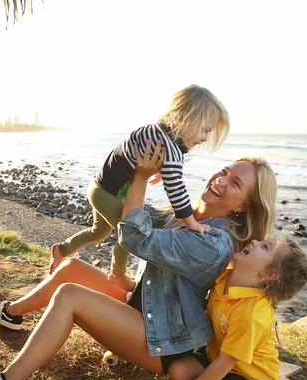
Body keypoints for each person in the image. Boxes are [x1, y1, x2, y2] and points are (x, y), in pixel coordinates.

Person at [0, 142, 276, 380]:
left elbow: (135, 237)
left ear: (243, 206)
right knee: (71, 268)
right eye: (223, 171)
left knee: (70, 296)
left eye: (234, 183)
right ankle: (12, 313)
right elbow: (141, 232)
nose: (220, 179)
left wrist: (140, 177)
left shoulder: (214, 241)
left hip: (161, 340)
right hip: (147, 308)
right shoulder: (190, 215)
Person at [49, 85, 230, 290]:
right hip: (108, 194)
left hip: (100, 187)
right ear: (183, 118)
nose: (206, 137)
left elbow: (134, 150)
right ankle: (117, 275)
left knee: (99, 232)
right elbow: (176, 189)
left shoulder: (156, 131)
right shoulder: (169, 149)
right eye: (205, 129)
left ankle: (62, 249)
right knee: (128, 231)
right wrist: (192, 223)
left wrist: (160, 170)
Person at [168, 237, 307, 380]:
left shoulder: (252, 313)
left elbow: (226, 363)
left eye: (264, 247)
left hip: (251, 376)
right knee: (179, 370)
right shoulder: (226, 275)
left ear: (269, 274)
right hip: (221, 360)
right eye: (262, 241)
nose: (254, 241)